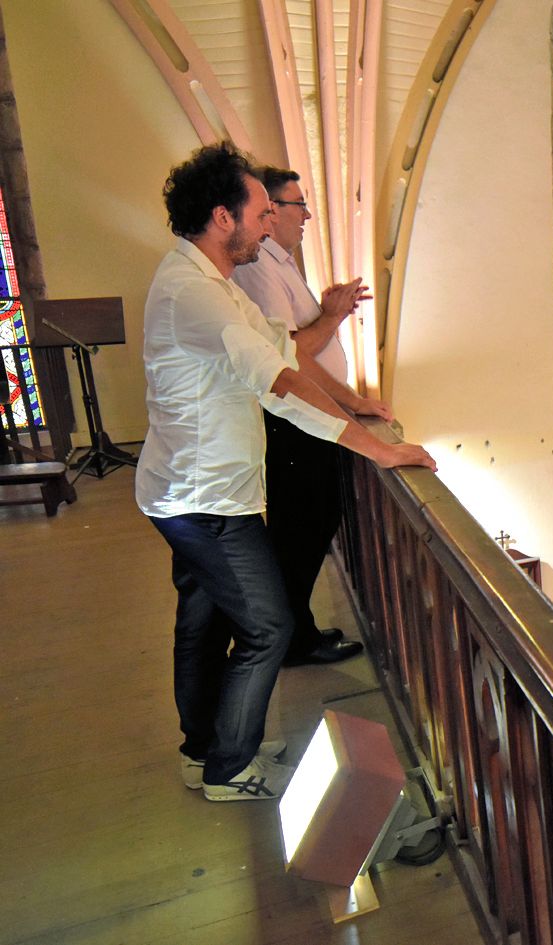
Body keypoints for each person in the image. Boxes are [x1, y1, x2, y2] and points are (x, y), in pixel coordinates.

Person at [141, 143, 436, 802]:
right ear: (223, 217)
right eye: (260, 211)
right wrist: (376, 447)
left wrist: (344, 375)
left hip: (194, 488)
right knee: (269, 625)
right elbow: (276, 380)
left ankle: (207, 748)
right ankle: (228, 768)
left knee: (204, 623)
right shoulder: (196, 294)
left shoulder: (204, 281)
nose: (269, 223)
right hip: (204, 498)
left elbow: (285, 351)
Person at [232, 166, 379, 666]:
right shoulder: (258, 268)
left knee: (313, 521)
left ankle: (295, 628)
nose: (307, 215)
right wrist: (334, 316)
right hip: (292, 419)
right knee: (301, 527)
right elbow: (292, 353)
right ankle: (291, 636)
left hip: (308, 413)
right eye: (298, 205)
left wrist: (353, 402)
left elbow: (308, 353)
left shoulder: (281, 262)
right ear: (270, 213)